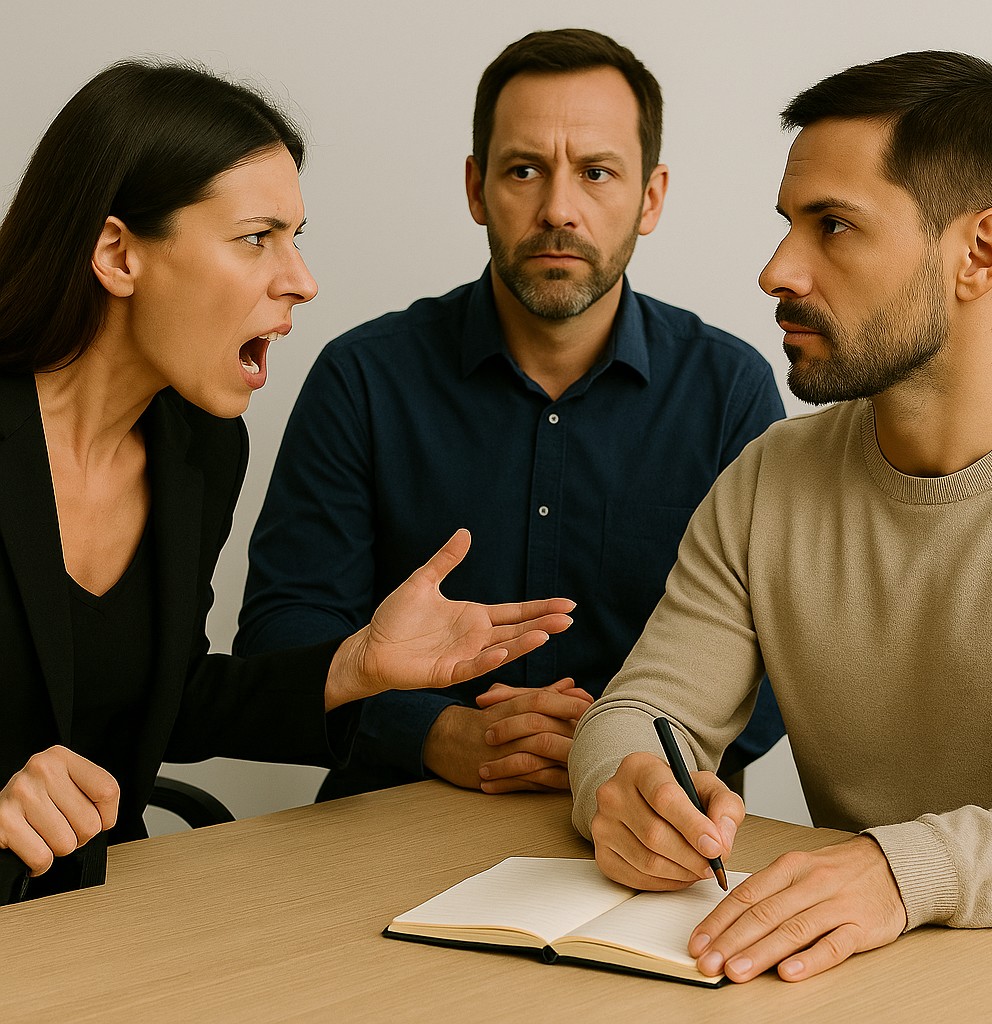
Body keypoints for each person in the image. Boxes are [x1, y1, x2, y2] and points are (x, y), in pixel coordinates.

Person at [0, 60, 573, 891]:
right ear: (119, 254)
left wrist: (358, 665)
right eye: (256, 237)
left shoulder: (198, 449)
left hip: (86, 925)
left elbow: (168, 698)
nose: (300, 280)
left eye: (295, 237)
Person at [235, 28, 786, 801]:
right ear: (475, 187)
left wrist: (617, 752)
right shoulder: (363, 378)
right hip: (392, 819)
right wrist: (432, 731)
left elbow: (785, 660)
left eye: (597, 173)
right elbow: (279, 639)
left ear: (650, 197)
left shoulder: (729, 391)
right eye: (524, 169)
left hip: (652, 822)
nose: (558, 208)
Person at [569, 49, 992, 984]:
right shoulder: (774, 475)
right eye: (789, 224)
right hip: (842, 983)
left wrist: (906, 872)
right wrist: (628, 792)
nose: (778, 270)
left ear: (979, 253)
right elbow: (646, 708)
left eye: (835, 227)